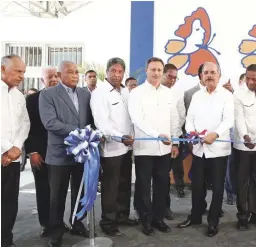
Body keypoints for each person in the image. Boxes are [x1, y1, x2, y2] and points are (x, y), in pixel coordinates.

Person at [39, 61, 94, 247]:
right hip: (59, 153)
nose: (75, 75)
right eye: (70, 72)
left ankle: (77, 223)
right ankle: (56, 231)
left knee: (80, 191)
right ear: (60, 74)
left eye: (77, 72)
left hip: (82, 154)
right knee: (57, 195)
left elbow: (91, 121)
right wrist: (79, 132)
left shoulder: (85, 94)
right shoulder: (48, 94)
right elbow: (50, 123)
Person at [177, 62, 234, 237]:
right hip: (199, 149)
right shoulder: (196, 96)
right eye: (206, 72)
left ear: (219, 74)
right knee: (197, 185)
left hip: (218, 149)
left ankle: (213, 222)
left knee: (217, 188)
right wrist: (192, 132)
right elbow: (190, 118)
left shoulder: (226, 95)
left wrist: (215, 134)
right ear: (201, 75)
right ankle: (195, 216)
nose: (209, 75)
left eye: (212, 72)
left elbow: (229, 120)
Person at [128, 57, 180, 236]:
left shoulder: (168, 93)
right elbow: (137, 119)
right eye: (153, 69)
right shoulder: (137, 93)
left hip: (165, 148)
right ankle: (145, 220)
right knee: (143, 185)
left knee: (162, 185)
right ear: (146, 70)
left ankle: (158, 219)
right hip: (145, 147)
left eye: (159, 70)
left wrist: (175, 142)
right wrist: (155, 135)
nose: (156, 73)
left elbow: (174, 119)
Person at [90, 57, 137, 236]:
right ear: (107, 72)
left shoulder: (126, 92)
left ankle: (123, 216)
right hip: (111, 148)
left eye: (120, 72)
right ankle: (108, 222)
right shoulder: (100, 93)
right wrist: (119, 137)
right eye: (113, 71)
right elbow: (102, 123)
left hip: (128, 147)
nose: (117, 75)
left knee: (125, 183)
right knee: (111, 186)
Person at [24, 66, 62, 237]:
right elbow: (27, 128)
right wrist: (32, 152)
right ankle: (46, 224)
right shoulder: (32, 100)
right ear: (42, 81)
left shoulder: (65, 97)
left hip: (62, 154)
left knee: (59, 191)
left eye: (56, 76)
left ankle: (59, 223)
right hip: (41, 153)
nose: (53, 79)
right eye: (49, 77)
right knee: (43, 190)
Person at [233, 64, 256, 231]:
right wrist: (244, 136)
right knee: (242, 182)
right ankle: (242, 216)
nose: (250, 81)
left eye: (254, 78)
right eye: (247, 77)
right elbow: (238, 118)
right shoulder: (238, 94)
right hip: (243, 147)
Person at [1, 54, 30, 247]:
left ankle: (6, 239)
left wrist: (16, 147)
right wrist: (6, 148)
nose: (22, 76)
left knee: (10, 202)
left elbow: (25, 123)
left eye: (24, 72)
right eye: (18, 71)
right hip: (3, 155)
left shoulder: (19, 96)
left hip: (13, 159)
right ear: (3, 69)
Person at [161, 63, 186, 220]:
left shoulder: (177, 93)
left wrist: (174, 138)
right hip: (154, 142)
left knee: (167, 174)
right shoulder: (151, 92)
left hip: (173, 140)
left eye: (175, 77)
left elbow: (181, 115)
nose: (172, 80)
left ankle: (165, 208)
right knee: (159, 177)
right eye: (169, 76)